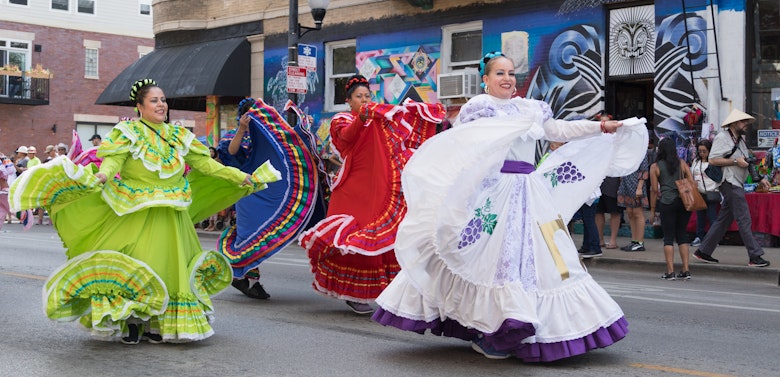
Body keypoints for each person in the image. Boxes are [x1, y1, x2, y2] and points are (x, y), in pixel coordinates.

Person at [372, 52, 648, 362]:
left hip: (530, 192)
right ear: (486, 80)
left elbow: (558, 131)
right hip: (494, 192)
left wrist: (602, 127)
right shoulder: (478, 109)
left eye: (512, 73)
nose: (507, 79)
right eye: (500, 73)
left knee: (543, 261)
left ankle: (525, 328)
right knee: (489, 260)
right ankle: (493, 328)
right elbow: (467, 152)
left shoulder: (530, 108)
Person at [10, 78, 281, 344]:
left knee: (169, 266)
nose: (161, 104)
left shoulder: (178, 136)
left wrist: (240, 177)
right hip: (135, 211)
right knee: (138, 264)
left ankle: (157, 322)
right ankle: (131, 320)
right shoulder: (127, 132)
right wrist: (102, 177)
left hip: (172, 214)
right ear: (140, 106)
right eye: (154, 100)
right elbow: (113, 162)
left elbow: (207, 166)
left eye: (163, 100)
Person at [299, 74, 445, 314]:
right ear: (349, 101)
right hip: (354, 187)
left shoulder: (378, 117)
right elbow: (346, 139)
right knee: (356, 237)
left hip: (377, 183)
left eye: (368, 96)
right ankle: (355, 293)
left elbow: (398, 128)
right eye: (359, 97)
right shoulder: (341, 119)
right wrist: (364, 118)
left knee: (383, 234)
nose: (365, 100)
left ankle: (384, 292)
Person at [217, 97, 323, 301]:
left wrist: (302, 128)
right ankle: (248, 279)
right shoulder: (237, 134)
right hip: (247, 192)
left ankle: (246, 278)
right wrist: (242, 128)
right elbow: (231, 152)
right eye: (251, 114)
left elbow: (291, 149)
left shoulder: (271, 135)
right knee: (249, 237)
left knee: (263, 233)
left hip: (267, 189)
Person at [693, 110, 772, 267]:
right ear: (735, 123)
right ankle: (754, 255)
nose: (746, 125)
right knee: (744, 219)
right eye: (743, 122)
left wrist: (761, 178)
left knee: (723, 220)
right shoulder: (723, 137)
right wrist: (736, 162)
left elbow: (747, 161)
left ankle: (703, 251)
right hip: (729, 182)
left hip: (736, 182)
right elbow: (713, 160)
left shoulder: (739, 141)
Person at [649, 137, 693, 280]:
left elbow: (655, 190)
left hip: (667, 202)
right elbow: (692, 182)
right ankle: (686, 270)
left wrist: (653, 210)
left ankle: (670, 271)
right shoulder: (682, 163)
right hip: (683, 202)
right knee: (682, 235)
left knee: (668, 237)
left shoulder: (655, 167)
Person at [617, 145, 650, 251]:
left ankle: (639, 242)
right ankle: (634, 241)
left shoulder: (641, 151)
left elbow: (644, 170)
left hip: (636, 183)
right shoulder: (625, 150)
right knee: (630, 213)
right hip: (626, 183)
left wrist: (639, 187)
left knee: (637, 213)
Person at [689, 139, 720, 247]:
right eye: (700, 151)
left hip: (711, 191)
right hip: (699, 192)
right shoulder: (696, 162)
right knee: (700, 217)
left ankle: (713, 239)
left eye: (704, 151)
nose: (702, 153)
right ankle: (699, 237)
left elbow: (718, 177)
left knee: (712, 217)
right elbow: (692, 173)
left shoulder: (713, 161)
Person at [595, 176, 622, 249]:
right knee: (598, 212)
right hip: (598, 182)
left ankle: (613, 240)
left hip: (613, 182)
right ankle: (600, 239)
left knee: (614, 211)